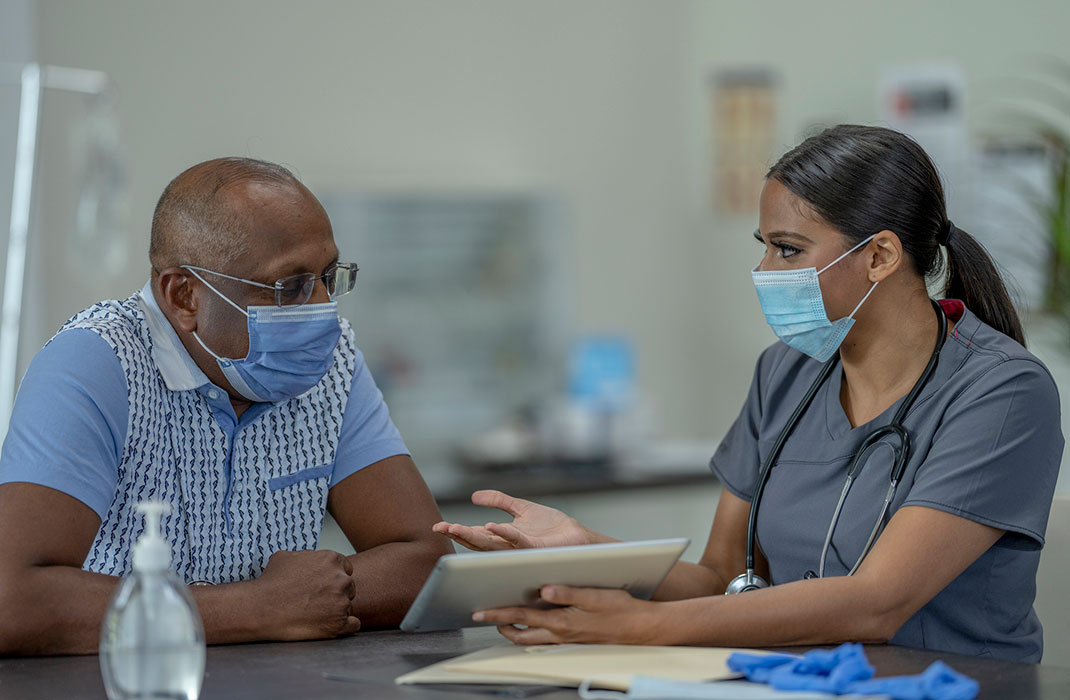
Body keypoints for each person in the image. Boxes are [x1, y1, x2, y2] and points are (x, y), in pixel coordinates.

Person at [434, 125, 1064, 663]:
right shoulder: (784, 374)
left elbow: (878, 602)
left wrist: (639, 626)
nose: (765, 272)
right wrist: (588, 552)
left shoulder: (1003, 393)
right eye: (763, 247)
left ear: (880, 257)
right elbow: (721, 581)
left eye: (788, 250)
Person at [0, 157, 452, 655]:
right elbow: (14, 600)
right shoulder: (97, 360)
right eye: (292, 287)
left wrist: (307, 598)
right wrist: (257, 608)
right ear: (184, 296)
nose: (323, 308)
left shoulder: (329, 360)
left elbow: (427, 563)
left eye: (327, 276)